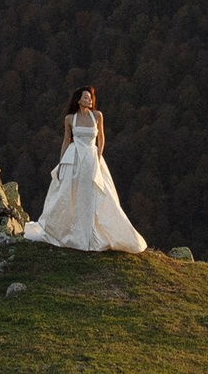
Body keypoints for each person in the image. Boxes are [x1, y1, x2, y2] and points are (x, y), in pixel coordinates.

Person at [29, 85, 147, 252]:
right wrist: (62, 161)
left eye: (91, 97)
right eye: (86, 97)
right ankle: (72, 232)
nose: (89, 100)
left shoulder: (97, 116)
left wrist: (98, 158)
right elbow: (66, 140)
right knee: (71, 194)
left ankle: (93, 233)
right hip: (75, 158)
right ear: (78, 100)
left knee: (95, 195)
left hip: (92, 158)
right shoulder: (70, 119)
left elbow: (102, 138)